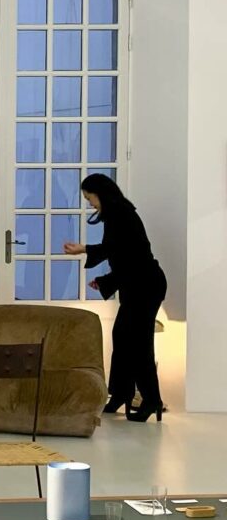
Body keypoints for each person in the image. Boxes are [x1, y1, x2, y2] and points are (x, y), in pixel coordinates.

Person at [63, 173, 167, 422]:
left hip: (146, 285)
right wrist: (104, 281)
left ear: (101, 193)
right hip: (137, 283)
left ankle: (152, 400)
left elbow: (120, 251)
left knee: (139, 345)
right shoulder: (117, 214)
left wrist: (84, 249)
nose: (90, 204)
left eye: (90, 198)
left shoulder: (121, 214)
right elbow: (126, 258)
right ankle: (121, 393)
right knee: (122, 336)